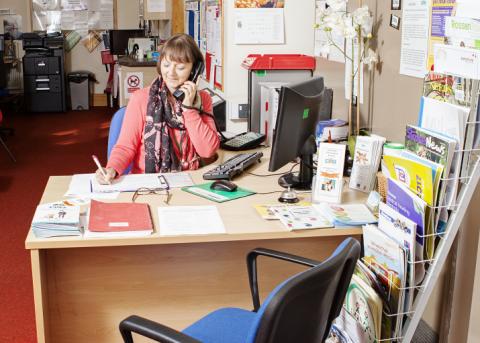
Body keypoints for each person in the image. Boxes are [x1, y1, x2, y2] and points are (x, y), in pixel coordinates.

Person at [96, 34, 220, 184]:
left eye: (180, 67)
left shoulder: (202, 99)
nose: (171, 73)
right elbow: (125, 146)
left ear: (194, 70)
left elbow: (208, 151)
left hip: (190, 182)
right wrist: (112, 168)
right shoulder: (141, 99)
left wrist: (189, 109)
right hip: (148, 183)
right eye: (166, 65)